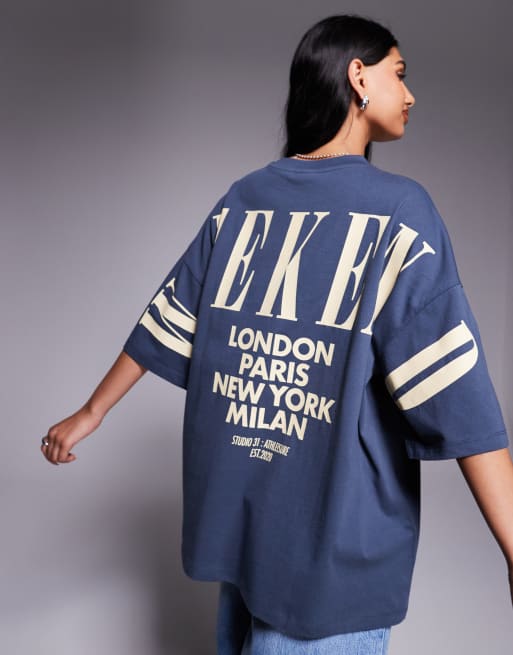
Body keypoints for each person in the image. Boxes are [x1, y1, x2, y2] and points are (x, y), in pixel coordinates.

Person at [41, 14, 513, 655]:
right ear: (358, 77)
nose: (409, 94)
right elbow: (456, 390)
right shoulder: (401, 212)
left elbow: (169, 315)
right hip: (332, 564)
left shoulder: (247, 198)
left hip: (251, 543)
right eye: (399, 74)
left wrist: (93, 411)